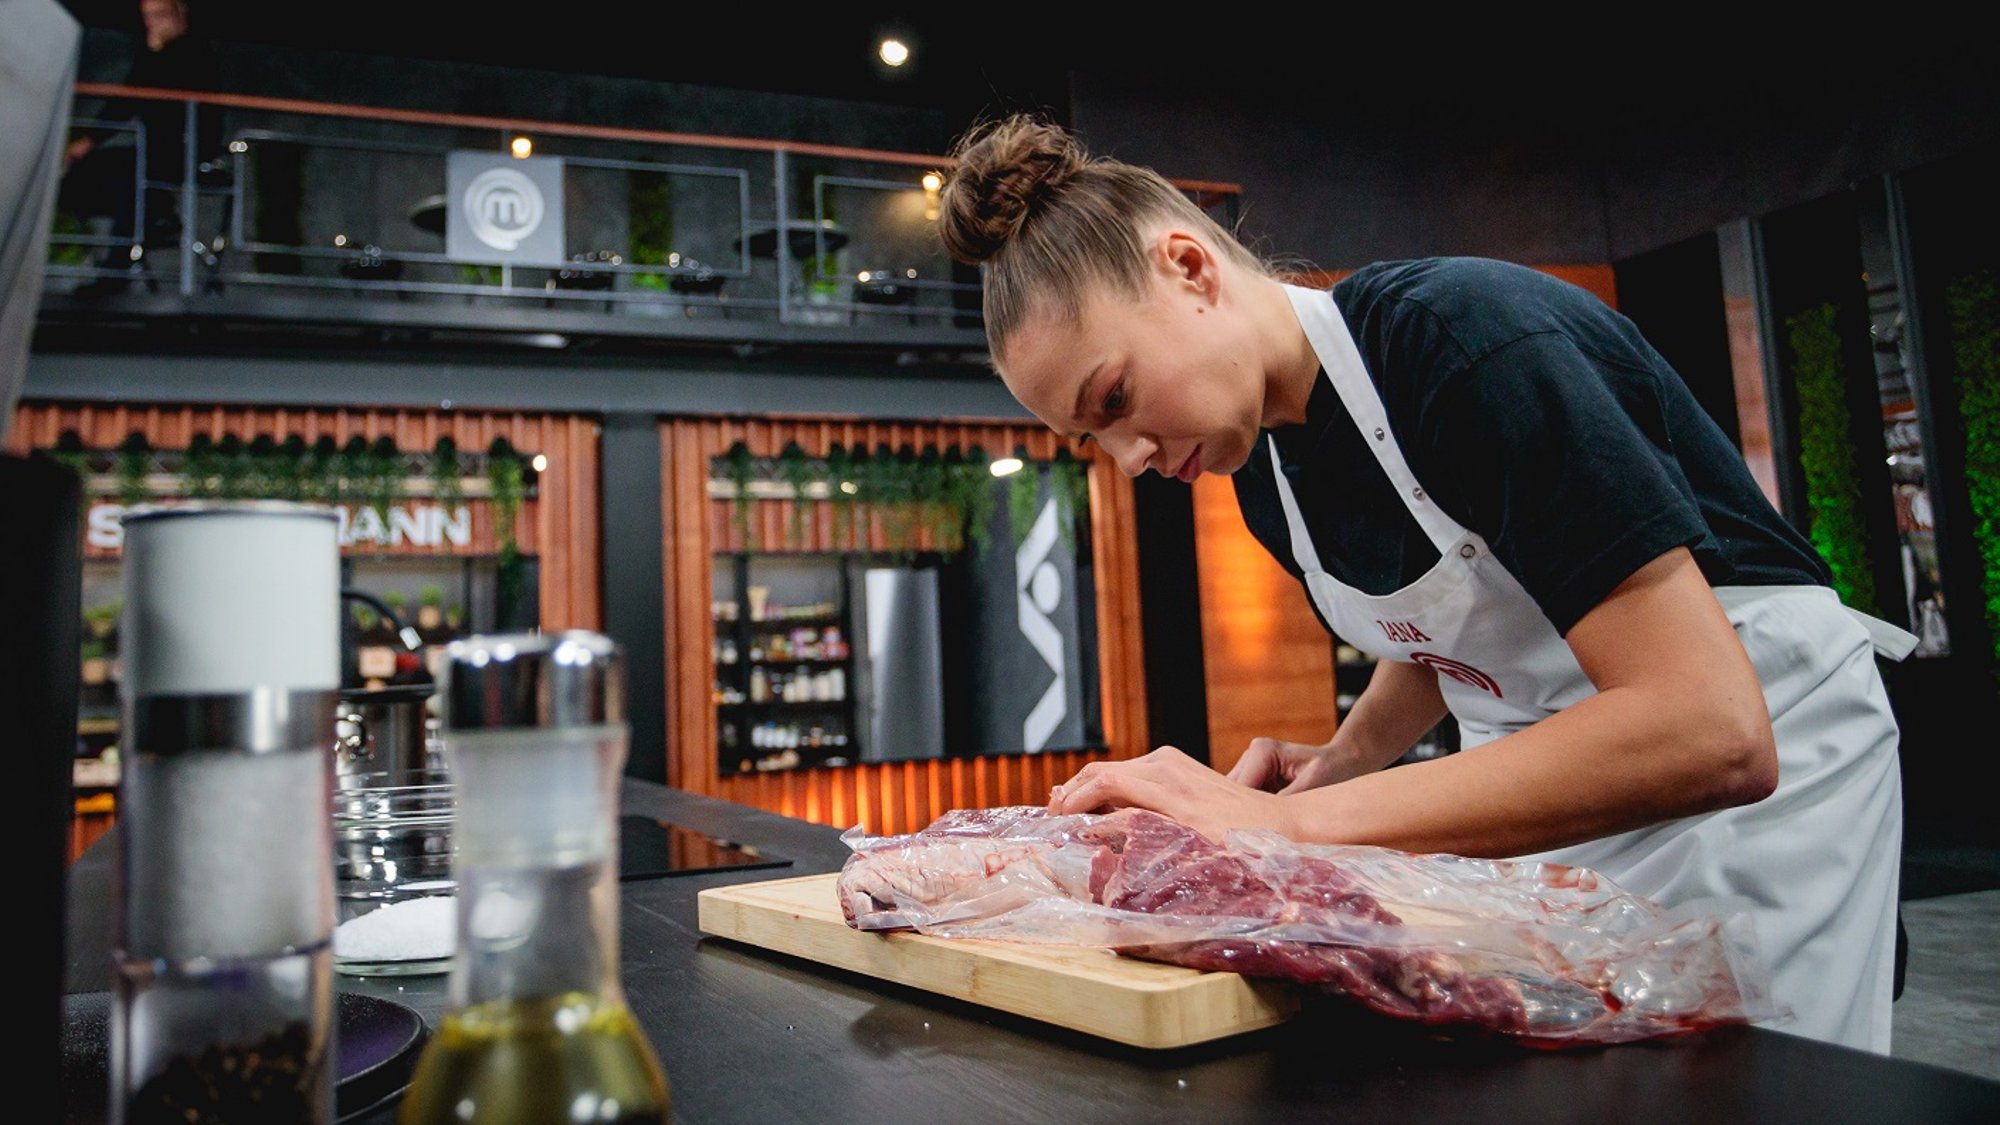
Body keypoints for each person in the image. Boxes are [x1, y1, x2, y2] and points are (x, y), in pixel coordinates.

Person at [935, 113, 1917, 1054]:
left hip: (1759, 786)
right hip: (1561, 801)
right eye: (1088, 437)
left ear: (1188, 267)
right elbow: (1465, 629)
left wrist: (1283, 825)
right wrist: (1344, 759)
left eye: (1114, 398)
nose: (1129, 457)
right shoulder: (1265, 482)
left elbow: (1708, 728)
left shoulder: (1459, 343)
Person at [56, 0, 221, 290]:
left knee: (128, 179)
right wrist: (90, 141)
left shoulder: (193, 52)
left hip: (186, 150)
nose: (151, 24)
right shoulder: (153, 53)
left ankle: (117, 269)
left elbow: (150, 91)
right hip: (155, 151)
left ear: (178, 16)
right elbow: (127, 99)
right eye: (146, 17)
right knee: (92, 176)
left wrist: (154, 53)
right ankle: (151, 216)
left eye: (158, 16)